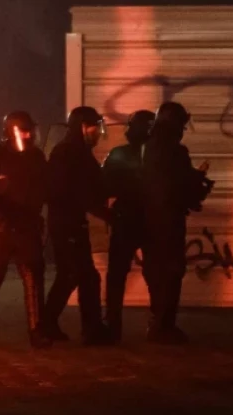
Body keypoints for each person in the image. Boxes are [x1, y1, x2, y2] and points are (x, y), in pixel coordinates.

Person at [0, 111, 51, 349]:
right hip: (0, 228)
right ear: (9, 131)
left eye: (29, 131)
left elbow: (43, 188)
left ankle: (37, 331)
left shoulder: (36, 157)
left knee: (33, 280)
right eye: (22, 131)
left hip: (27, 226)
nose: (27, 136)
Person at [42, 106, 115, 346]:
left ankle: (88, 328)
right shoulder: (67, 153)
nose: (97, 133)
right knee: (72, 275)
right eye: (94, 127)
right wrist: (105, 213)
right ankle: (48, 323)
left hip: (73, 223)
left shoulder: (78, 152)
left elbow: (94, 185)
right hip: (66, 224)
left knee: (83, 276)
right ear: (83, 127)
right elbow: (77, 192)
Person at [141, 101, 213, 345]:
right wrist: (198, 180)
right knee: (172, 271)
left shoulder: (147, 148)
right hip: (169, 220)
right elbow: (179, 185)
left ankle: (156, 320)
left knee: (154, 270)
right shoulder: (175, 151)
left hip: (148, 219)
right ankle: (164, 325)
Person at [102, 110, 155, 340]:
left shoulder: (119, 154)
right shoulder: (159, 156)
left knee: (117, 276)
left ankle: (113, 326)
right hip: (149, 220)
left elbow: (105, 185)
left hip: (126, 219)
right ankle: (158, 325)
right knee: (155, 275)